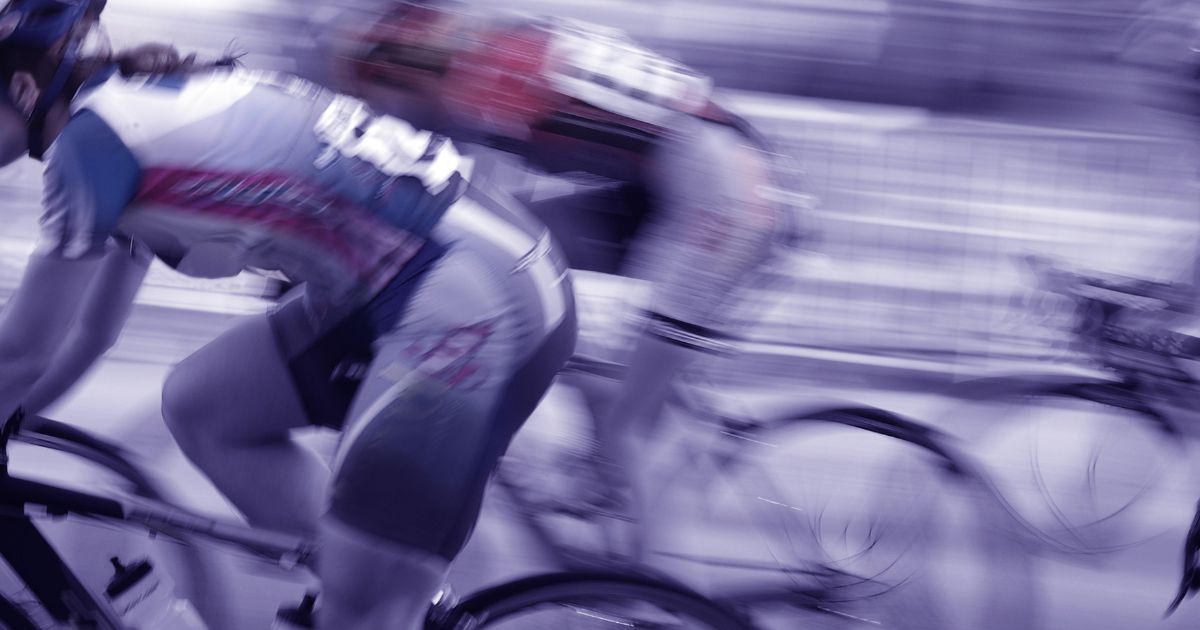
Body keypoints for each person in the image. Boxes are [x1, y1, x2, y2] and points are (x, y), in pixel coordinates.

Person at [0, 1, 576, 628]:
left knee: (361, 611)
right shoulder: (121, 118)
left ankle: (375, 600)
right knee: (204, 405)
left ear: (24, 90)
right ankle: (382, 592)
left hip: (473, 293)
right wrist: (16, 424)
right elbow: (87, 335)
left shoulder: (92, 145)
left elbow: (23, 349)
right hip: (412, 280)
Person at [320, 1, 805, 556]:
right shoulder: (489, 54)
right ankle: (608, 401)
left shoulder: (480, 83)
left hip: (721, 193)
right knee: (531, 257)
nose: (378, 114)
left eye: (370, 95)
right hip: (665, 176)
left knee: (626, 426)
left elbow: (461, 208)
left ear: (399, 72)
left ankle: (647, 594)